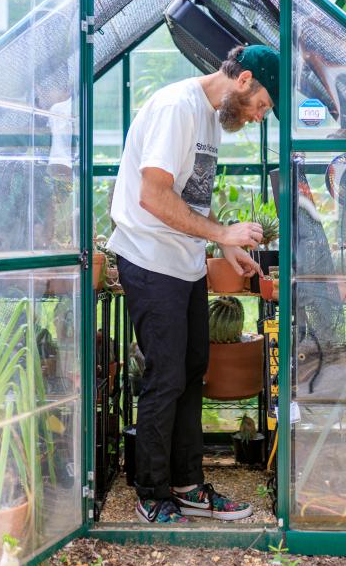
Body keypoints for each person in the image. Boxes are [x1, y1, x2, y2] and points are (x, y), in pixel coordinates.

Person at [108, 44, 280, 524]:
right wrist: (222, 233)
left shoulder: (210, 118)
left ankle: (186, 485)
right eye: (264, 106)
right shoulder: (176, 108)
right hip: (149, 260)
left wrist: (223, 244)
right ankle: (152, 492)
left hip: (184, 264)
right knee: (165, 378)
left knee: (190, 374)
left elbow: (191, 201)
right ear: (244, 80)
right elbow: (153, 197)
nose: (260, 117)